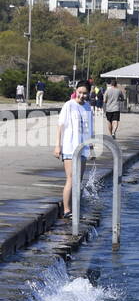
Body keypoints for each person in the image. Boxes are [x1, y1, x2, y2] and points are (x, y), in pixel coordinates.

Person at [53, 81, 94, 218]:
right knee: (71, 178)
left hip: (83, 148)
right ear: (76, 90)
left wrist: (91, 148)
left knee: (79, 180)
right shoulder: (69, 105)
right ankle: (66, 210)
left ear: (89, 93)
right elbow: (60, 126)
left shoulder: (88, 107)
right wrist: (58, 145)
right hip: (70, 147)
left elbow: (90, 130)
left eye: (85, 93)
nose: (82, 95)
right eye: (80, 92)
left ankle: (76, 208)